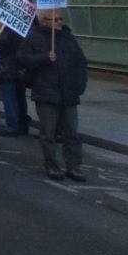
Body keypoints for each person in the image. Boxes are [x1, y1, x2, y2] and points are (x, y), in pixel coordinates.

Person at [18, 10, 88, 182]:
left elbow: (80, 62)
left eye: (60, 19)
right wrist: (44, 57)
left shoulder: (67, 38)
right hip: (46, 92)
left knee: (71, 132)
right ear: (44, 22)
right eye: (54, 19)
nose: (59, 22)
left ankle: (74, 165)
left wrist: (80, 85)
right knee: (48, 133)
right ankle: (52, 164)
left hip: (69, 92)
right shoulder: (34, 38)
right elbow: (22, 59)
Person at [0, 25, 30, 136]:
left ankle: (12, 126)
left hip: (7, 69)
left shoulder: (5, 33)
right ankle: (22, 124)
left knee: (8, 98)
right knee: (19, 98)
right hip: (19, 69)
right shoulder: (22, 31)